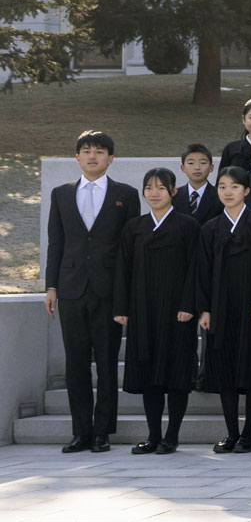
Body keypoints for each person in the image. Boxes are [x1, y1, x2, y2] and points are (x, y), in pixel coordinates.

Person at [45, 129, 141, 454]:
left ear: (110, 158)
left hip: (108, 291)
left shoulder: (125, 195)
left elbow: (130, 249)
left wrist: (125, 293)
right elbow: (56, 243)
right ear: (77, 157)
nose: (92, 156)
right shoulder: (60, 194)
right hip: (71, 289)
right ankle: (81, 431)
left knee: (106, 361)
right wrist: (51, 286)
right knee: (76, 363)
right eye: (86, 150)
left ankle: (102, 432)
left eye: (99, 151)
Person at [112, 167, 201, 455]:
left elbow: (195, 270)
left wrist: (189, 305)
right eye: (149, 187)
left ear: (174, 192)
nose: (154, 192)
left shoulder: (188, 226)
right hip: (142, 311)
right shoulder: (134, 227)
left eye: (161, 187)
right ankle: (153, 435)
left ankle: (171, 436)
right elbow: (123, 269)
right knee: (148, 373)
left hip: (177, 313)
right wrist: (121, 308)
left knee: (175, 375)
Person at [193, 166, 251, 453]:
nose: (227, 192)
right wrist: (204, 309)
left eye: (234, 187)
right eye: (222, 187)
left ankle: (249, 434)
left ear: (246, 191)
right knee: (224, 370)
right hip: (220, 307)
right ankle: (231, 433)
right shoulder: (210, 228)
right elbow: (202, 271)